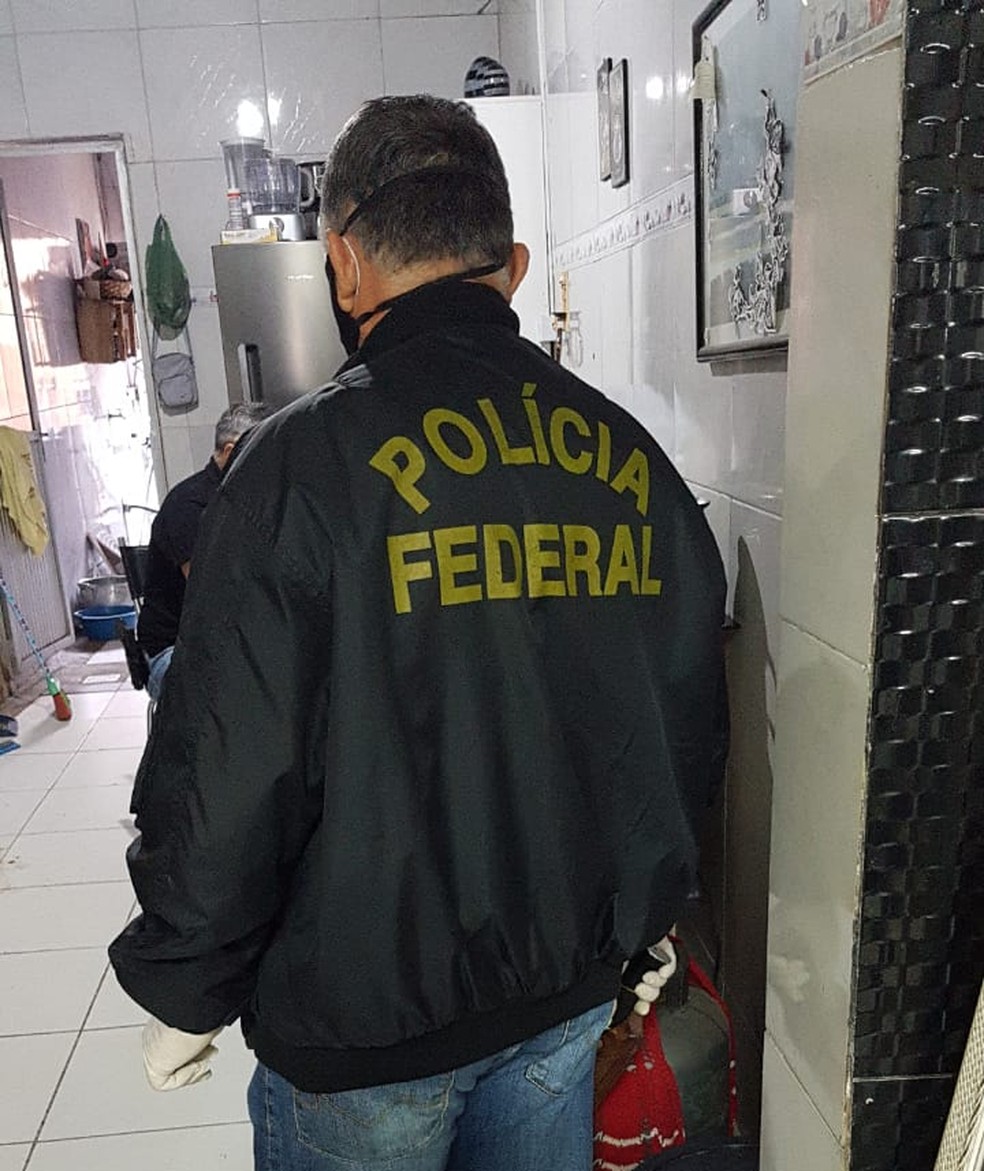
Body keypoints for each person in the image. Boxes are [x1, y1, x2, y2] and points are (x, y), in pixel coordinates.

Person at [109, 95, 728, 1171]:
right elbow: (679, 726)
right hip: (563, 995)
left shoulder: (297, 468)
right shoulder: (632, 460)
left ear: (344, 267)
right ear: (514, 268)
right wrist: (646, 922)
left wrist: (186, 979)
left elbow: (229, 762)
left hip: (365, 1026)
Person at [137, 401, 268, 699]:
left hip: (222, 641)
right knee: (251, 697)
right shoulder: (190, 506)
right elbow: (213, 593)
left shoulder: (244, 498)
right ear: (231, 451)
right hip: (173, 652)